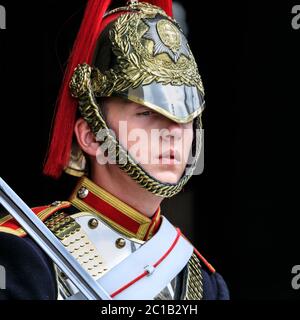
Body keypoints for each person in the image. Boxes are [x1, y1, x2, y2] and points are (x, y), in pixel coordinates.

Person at [0, 0, 229, 300]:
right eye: (146, 113)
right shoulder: (31, 254)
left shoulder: (202, 282)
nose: (173, 131)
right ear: (92, 136)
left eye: (183, 117)